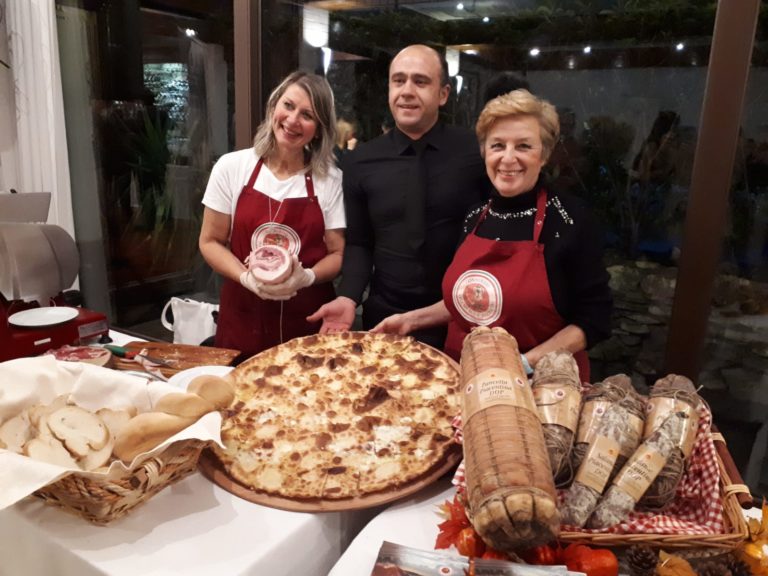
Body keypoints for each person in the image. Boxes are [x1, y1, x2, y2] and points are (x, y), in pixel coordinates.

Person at [372, 90, 612, 381]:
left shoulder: (570, 219)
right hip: (463, 378)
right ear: (485, 152)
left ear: (545, 154)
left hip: (542, 388)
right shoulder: (476, 216)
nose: (508, 158)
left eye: (523, 146)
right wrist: (410, 320)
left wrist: (522, 365)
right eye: (498, 145)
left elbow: (594, 320)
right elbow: (473, 301)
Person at [308, 44, 489, 348]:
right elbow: (359, 243)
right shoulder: (360, 161)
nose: (406, 91)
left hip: (459, 316)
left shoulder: (476, 153)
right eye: (398, 80)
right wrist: (349, 296)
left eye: (420, 82)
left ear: (443, 94)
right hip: (384, 318)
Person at [199, 71, 345, 357]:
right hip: (243, 317)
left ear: (319, 127)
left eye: (307, 115)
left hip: (308, 322)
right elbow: (210, 241)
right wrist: (245, 278)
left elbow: (338, 254)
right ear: (274, 106)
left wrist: (306, 277)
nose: (292, 120)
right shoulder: (232, 167)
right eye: (288, 106)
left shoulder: (330, 180)